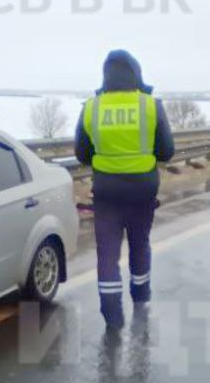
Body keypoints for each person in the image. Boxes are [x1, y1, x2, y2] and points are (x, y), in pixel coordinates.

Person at [75, 50, 176, 328]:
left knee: (107, 253)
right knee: (139, 243)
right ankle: (141, 297)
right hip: (142, 192)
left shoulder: (91, 107)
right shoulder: (150, 106)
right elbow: (167, 152)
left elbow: (81, 154)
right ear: (136, 74)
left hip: (107, 193)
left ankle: (112, 315)